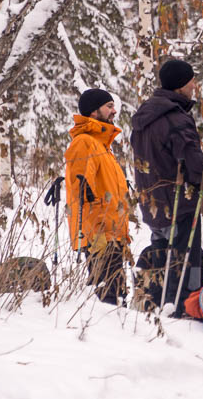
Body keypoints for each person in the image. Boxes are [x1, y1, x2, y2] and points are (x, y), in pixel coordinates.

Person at [130, 59, 203, 309]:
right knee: (185, 266)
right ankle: (184, 308)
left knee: (163, 262)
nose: (194, 85)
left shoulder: (144, 118)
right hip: (179, 207)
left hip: (153, 205)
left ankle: (160, 306)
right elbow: (195, 169)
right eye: (191, 80)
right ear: (180, 85)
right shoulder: (176, 119)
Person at [65, 88, 131, 305]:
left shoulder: (102, 145)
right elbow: (81, 192)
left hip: (112, 232)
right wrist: (97, 234)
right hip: (100, 234)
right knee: (106, 297)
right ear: (94, 112)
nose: (114, 111)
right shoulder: (85, 142)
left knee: (116, 295)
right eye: (109, 106)